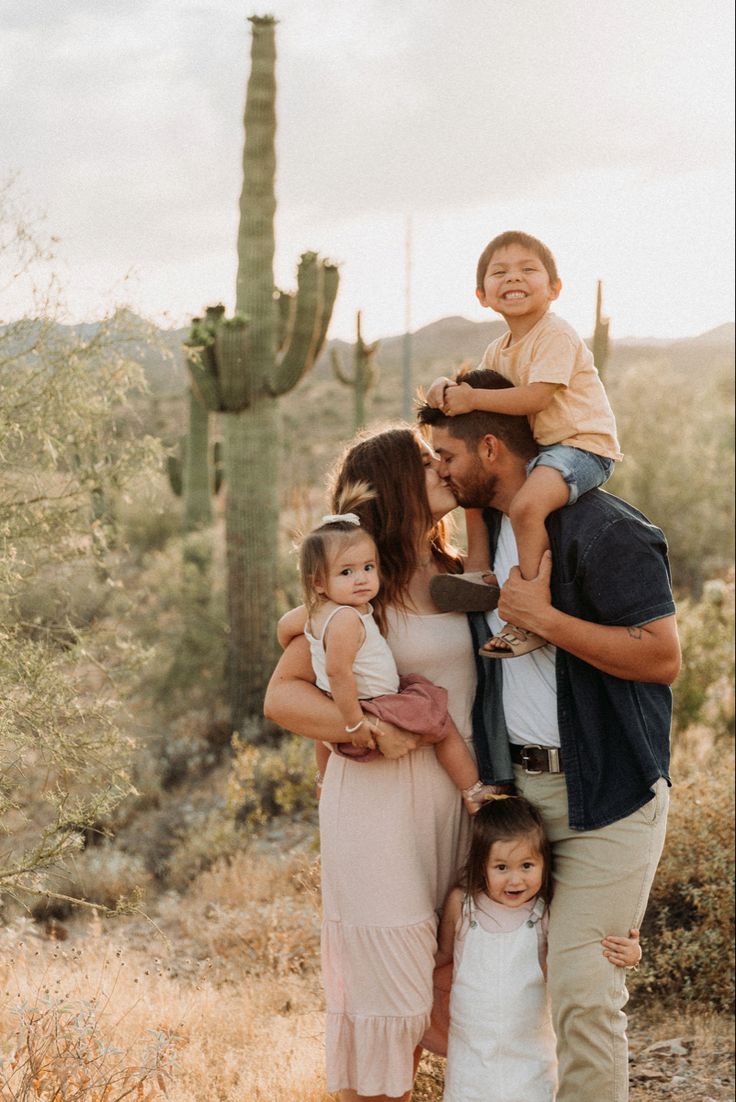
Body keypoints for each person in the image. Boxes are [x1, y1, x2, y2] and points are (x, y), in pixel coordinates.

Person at [418, 371, 680, 1102]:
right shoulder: (494, 534)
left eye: (445, 454)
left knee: (582, 990)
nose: (438, 467)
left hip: (610, 796)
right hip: (523, 797)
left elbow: (662, 657)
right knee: (507, 980)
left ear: (492, 447)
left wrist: (545, 619)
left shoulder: (607, 530)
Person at [264, 426, 500, 1102]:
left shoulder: (455, 575)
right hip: (376, 808)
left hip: (457, 801)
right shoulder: (358, 590)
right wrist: (362, 730)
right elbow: (282, 695)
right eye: (427, 463)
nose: (443, 470)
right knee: (388, 1002)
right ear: (396, 483)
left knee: (455, 987)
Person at [426, 230, 621, 659]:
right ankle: (480, 572)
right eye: (500, 272)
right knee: (471, 489)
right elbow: (478, 390)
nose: (513, 277)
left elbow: (535, 397)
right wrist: (444, 389)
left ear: (554, 288)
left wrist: (473, 398)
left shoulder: (555, 334)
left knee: (527, 507)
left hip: (582, 447)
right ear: (482, 295)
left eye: (528, 269)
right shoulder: (499, 349)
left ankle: (531, 611)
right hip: (545, 450)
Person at [277, 487, 490, 812]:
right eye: (347, 572)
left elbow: (287, 628)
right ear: (319, 582)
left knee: (325, 733)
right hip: (374, 707)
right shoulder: (348, 615)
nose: (360, 578)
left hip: (359, 706)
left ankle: (323, 780)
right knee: (438, 717)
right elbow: (333, 673)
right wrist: (356, 724)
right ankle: (474, 791)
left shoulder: (330, 607)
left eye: (368, 568)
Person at [432, 796, 642, 1102]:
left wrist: (632, 955)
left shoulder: (545, 912)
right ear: (482, 865)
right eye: (501, 867)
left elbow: (584, 956)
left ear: (544, 862)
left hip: (530, 1051)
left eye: (527, 865)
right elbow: (442, 956)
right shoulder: (463, 906)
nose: (515, 879)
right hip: (471, 1050)